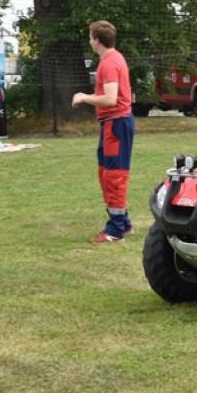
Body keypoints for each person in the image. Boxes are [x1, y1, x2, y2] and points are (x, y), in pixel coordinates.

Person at [72, 20, 136, 244]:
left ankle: (115, 231)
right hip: (113, 124)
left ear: (97, 40)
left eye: (90, 37)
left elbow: (110, 98)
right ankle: (124, 223)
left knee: (114, 176)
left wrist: (83, 97)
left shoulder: (109, 63)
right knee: (106, 172)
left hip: (116, 124)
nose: (89, 41)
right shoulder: (114, 58)